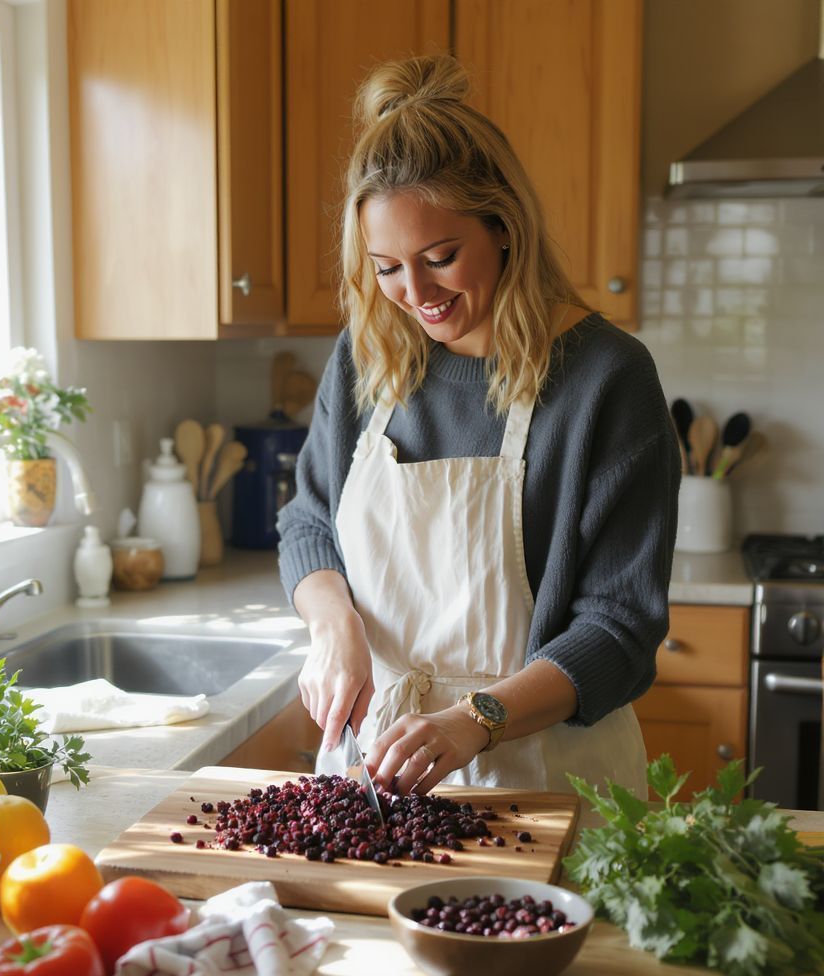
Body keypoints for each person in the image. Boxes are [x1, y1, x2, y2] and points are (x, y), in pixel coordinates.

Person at [276, 53, 680, 802]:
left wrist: (475, 719)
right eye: (387, 268)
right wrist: (334, 627)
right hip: (377, 778)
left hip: (551, 782)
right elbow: (308, 522)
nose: (414, 294)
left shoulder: (605, 379)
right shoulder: (368, 356)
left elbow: (620, 629)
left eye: (440, 258)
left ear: (503, 225)